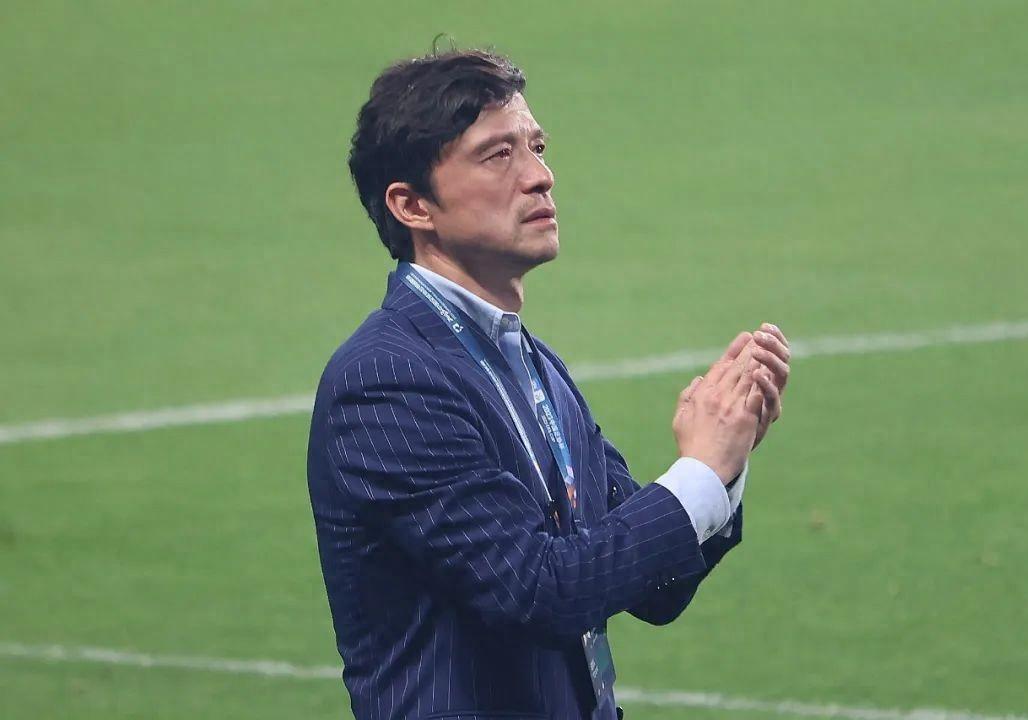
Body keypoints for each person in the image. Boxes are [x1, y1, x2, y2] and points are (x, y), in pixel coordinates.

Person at [307, 49, 791, 720]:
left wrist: (725, 460)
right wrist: (699, 472)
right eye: (498, 155)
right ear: (413, 205)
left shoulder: (534, 365)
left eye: (536, 147)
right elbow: (539, 591)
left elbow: (656, 588)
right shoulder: (388, 382)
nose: (540, 176)